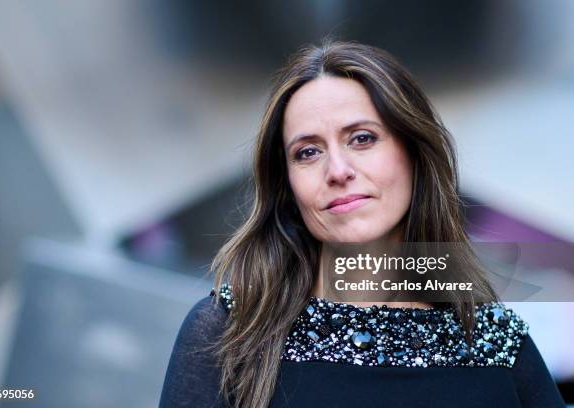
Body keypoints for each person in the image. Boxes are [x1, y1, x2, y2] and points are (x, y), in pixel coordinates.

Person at [158, 39, 566, 408]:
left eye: (362, 139)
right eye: (308, 152)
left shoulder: (494, 340)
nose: (338, 170)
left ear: (414, 154)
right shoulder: (229, 332)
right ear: (287, 186)